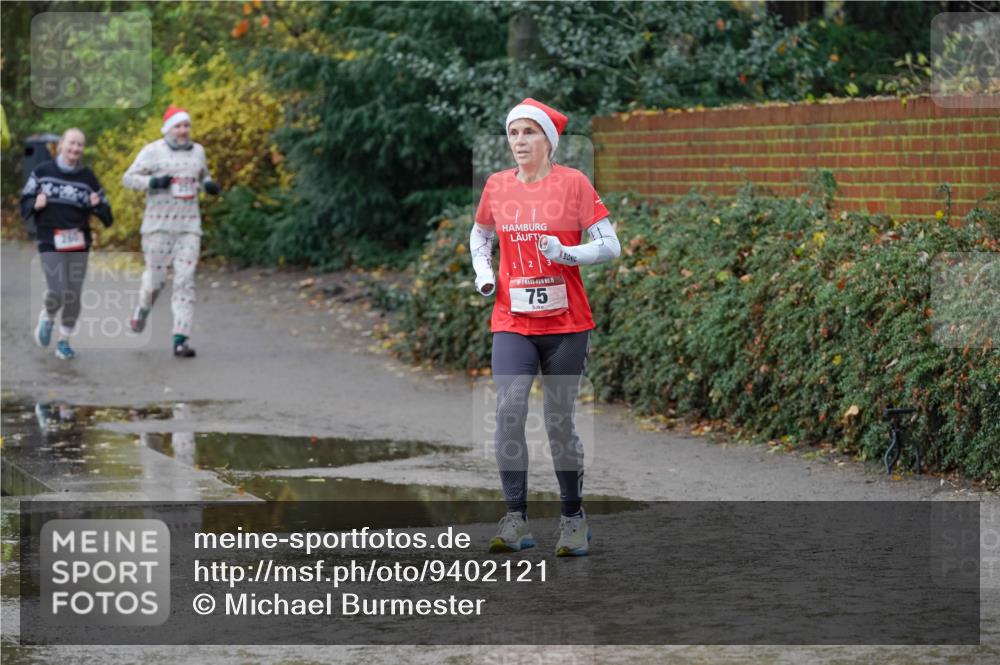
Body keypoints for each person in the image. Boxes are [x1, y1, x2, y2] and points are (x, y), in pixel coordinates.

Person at [471, 98, 621, 557]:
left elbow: (610, 245)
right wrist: (484, 272)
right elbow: (481, 235)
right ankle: (515, 518)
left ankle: (573, 520)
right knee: (509, 412)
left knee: (559, 422)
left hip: (567, 323)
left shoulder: (573, 184)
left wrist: (568, 254)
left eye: (529, 133)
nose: (519, 141)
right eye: (513, 133)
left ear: (548, 141)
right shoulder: (497, 186)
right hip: (513, 320)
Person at [122, 105, 220, 358]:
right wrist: (153, 182)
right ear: (168, 129)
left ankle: (181, 339)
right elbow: (128, 178)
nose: (183, 130)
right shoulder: (153, 151)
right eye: (178, 126)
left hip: (189, 227)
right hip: (158, 227)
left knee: (185, 280)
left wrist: (209, 185)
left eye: (186, 125)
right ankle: (141, 312)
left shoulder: (198, 151)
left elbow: (204, 175)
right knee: (156, 282)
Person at [20, 128, 113, 360]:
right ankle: (49, 316)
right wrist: (35, 203)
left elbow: (107, 216)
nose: (75, 149)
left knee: (73, 294)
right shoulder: (42, 172)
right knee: (58, 290)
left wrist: (97, 205)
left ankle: (64, 340)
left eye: (80, 145)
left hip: (78, 241)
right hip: (50, 239)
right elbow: (25, 201)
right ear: (60, 145)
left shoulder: (88, 178)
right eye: (71, 143)